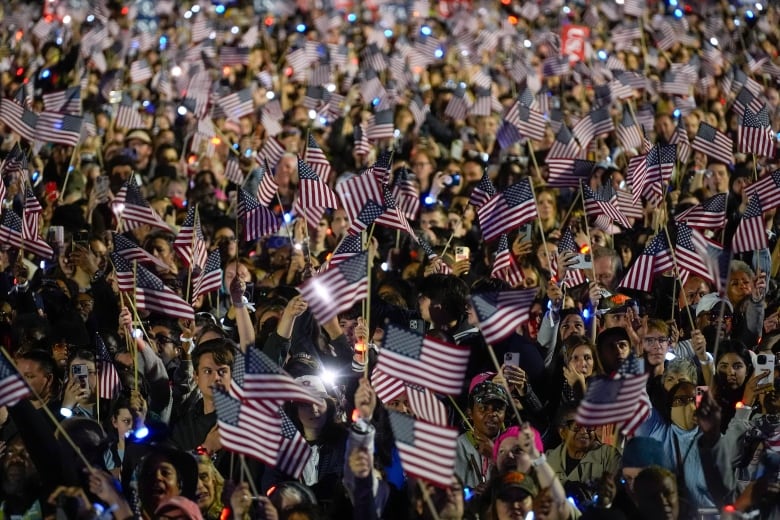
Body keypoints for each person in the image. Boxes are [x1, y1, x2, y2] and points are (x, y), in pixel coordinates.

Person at [455, 380, 510, 491]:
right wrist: (472, 494)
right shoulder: (457, 447)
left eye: (498, 409)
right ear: (470, 413)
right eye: (483, 408)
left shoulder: (513, 444)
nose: (491, 414)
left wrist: (495, 456)